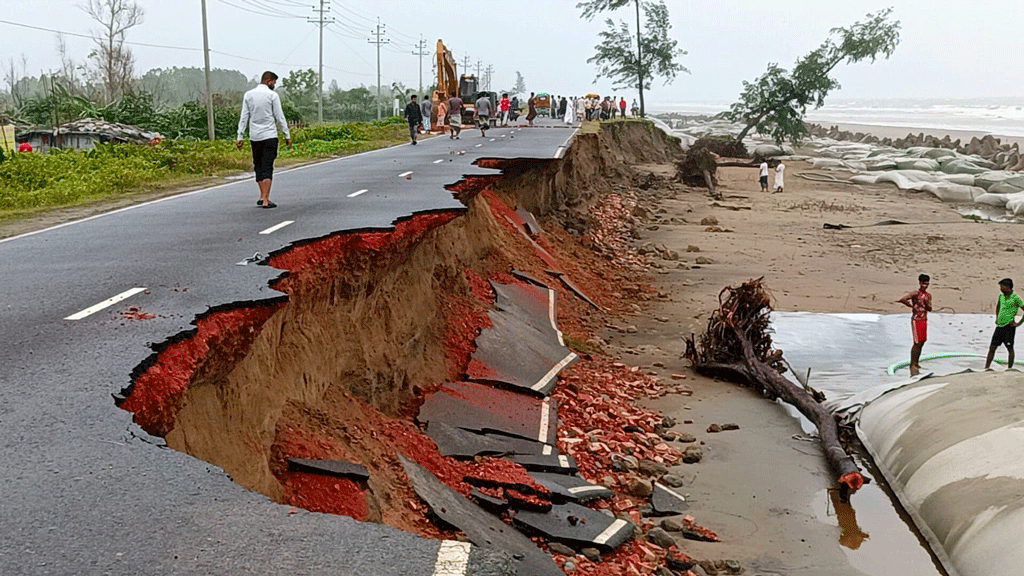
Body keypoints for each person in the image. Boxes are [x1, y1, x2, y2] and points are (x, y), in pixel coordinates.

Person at [236, 70, 291, 209]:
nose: (274, 85)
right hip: (269, 136)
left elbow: (244, 117)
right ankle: (266, 199)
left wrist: (239, 136)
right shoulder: (272, 95)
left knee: (258, 166)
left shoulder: (248, 95)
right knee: (268, 166)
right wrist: (286, 134)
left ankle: (262, 196)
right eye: (274, 82)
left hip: (255, 137)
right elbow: (280, 116)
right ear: (269, 81)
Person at [985, 278, 1024, 369]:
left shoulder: (1016, 298)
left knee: (1009, 348)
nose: (1001, 289)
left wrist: (1018, 324)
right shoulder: (1001, 296)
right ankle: (986, 367)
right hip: (999, 325)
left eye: (1002, 287)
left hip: (1009, 327)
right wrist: (997, 317)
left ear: (1008, 287)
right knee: (992, 348)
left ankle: (1010, 368)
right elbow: (998, 306)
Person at [898, 274, 932, 376]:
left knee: (922, 341)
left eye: (926, 284)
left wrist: (926, 304)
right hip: (916, 320)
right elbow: (903, 299)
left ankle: (916, 363)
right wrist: (911, 306)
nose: (925, 286)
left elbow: (930, 309)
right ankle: (912, 364)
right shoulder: (915, 293)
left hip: (924, 319)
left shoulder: (928, 295)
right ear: (920, 283)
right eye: (923, 283)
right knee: (917, 342)